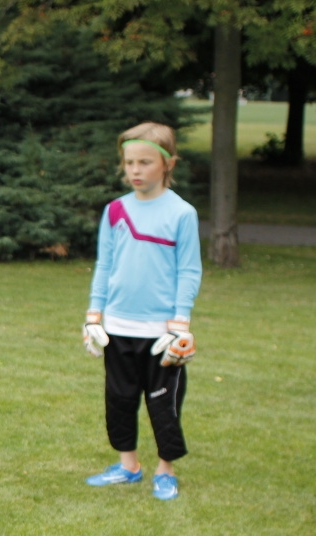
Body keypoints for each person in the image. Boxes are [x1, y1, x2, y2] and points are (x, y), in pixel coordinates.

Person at [83, 122, 202, 501]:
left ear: (167, 164)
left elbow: (189, 270)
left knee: (163, 402)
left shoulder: (182, 213)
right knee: (119, 398)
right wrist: (93, 315)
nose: (135, 170)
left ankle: (165, 470)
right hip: (118, 326)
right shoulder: (115, 210)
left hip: (161, 331)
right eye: (129, 162)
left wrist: (180, 323)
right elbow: (105, 264)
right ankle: (128, 465)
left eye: (145, 162)